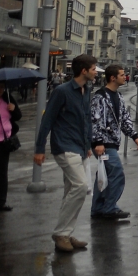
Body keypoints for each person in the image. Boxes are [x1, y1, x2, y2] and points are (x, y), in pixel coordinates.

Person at [34, 54, 97, 253]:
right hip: (64, 146)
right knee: (80, 186)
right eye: (94, 68)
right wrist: (39, 149)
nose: (96, 72)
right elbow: (48, 120)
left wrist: (88, 145)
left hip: (79, 147)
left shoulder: (86, 90)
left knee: (71, 192)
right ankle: (61, 233)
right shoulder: (62, 91)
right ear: (84, 71)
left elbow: (86, 119)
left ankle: (66, 234)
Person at [90, 65, 138, 221]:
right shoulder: (100, 97)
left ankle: (98, 208)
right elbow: (95, 120)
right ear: (113, 78)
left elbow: (124, 118)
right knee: (117, 173)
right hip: (104, 143)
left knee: (103, 175)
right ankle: (110, 208)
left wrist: (134, 135)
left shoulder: (118, 96)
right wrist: (98, 142)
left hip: (110, 142)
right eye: (122, 74)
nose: (125, 76)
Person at [0, 83, 22, 212]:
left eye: (1, 88)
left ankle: (0, 203)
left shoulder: (8, 98)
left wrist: (13, 109)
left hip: (3, 142)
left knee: (1, 174)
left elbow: (18, 116)